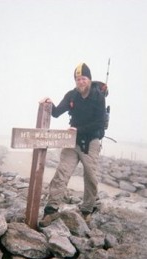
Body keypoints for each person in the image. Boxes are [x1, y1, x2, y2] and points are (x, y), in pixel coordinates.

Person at [40, 62, 106, 225]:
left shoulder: (98, 96)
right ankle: (51, 210)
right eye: (77, 79)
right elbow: (56, 113)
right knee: (62, 173)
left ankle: (87, 209)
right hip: (72, 141)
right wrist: (48, 103)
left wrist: (78, 130)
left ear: (89, 80)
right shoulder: (71, 95)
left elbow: (99, 123)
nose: (80, 82)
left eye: (83, 78)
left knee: (90, 176)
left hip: (91, 141)